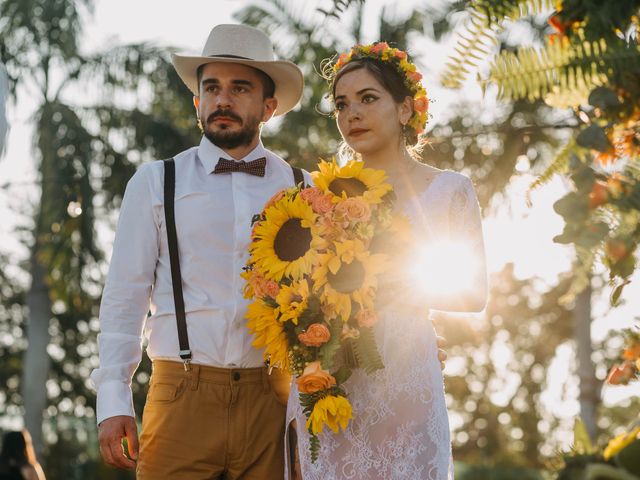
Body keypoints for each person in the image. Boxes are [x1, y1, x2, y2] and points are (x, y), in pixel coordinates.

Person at [91, 24, 310, 479]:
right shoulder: (156, 181)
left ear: (268, 106)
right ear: (197, 101)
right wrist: (113, 399)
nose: (222, 100)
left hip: (271, 398)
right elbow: (124, 297)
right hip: (179, 396)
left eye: (239, 88)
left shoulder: (301, 187)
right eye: (211, 87)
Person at [285, 43, 488, 479]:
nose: (351, 113)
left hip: (409, 385)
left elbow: (473, 293)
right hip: (333, 388)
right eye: (341, 104)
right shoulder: (317, 200)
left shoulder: (450, 190)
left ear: (405, 109)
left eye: (368, 98)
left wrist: (382, 283)